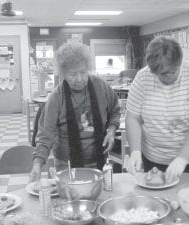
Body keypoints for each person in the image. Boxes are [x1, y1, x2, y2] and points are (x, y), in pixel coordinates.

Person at [126, 36, 189, 182]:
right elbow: (133, 117)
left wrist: (182, 158)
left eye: (171, 72)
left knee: (186, 197)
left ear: (179, 63)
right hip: (153, 156)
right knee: (157, 199)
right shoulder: (143, 77)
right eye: (160, 73)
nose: (166, 77)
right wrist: (135, 151)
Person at [29, 42, 120, 182]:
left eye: (83, 72)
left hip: (99, 162)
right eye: (73, 74)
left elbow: (114, 110)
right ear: (63, 74)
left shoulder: (100, 86)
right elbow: (45, 136)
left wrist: (111, 131)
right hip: (67, 166)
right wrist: (37, 165)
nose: (79, 78)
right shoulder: (56, 97)